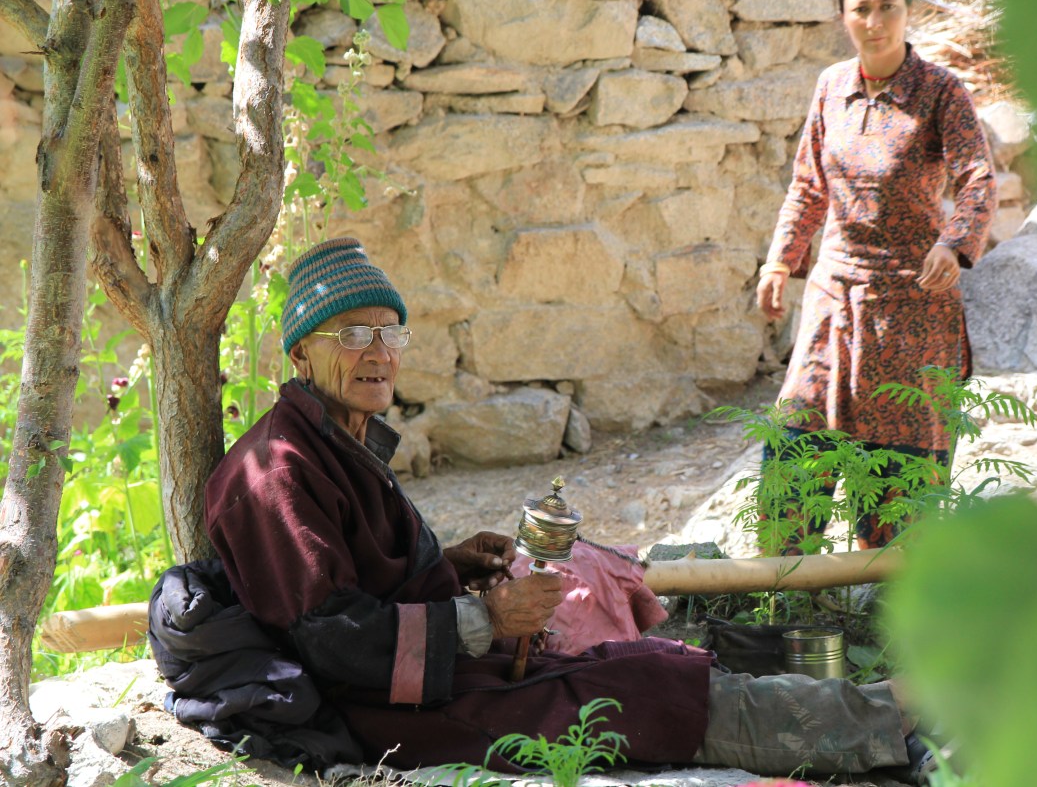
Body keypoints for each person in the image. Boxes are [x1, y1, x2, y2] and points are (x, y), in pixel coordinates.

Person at [150, 237, 928, 781]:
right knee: (625, 695)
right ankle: (885, 724)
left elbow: (361, 572)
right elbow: (330, 637)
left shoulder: (333, 442)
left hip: (433, 678)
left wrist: (447, 563)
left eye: (392, 332)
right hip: (392, 712)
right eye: (353, 334)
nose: (380, 353)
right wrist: (489, 619)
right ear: (301, 354)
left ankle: (881, 708)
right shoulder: (274, 469)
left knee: (639, 658)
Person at [756, 0, 995, 550]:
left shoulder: (941, 92)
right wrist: (779, 261)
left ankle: (886, 618)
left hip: (913, 307)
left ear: (907, 12)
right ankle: (785, 596)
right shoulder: (831, 87)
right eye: (860, 7)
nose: (874, 19)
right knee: (795, 440)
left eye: (887, 5)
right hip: (834, 299)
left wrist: (954, 242)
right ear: (844, 18)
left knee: (901, 471)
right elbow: (810, 184)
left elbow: (977, 178)